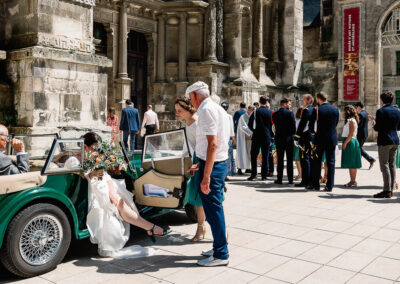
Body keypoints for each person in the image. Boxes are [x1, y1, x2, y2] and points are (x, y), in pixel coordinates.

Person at [70, 132, 168, 258]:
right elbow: (86, 177)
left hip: (104, 185)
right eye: (94, 147)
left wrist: (111, 191)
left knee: (119, 199)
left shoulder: (96, 157)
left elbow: (105, 176)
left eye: (98, 147)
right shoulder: (75, 160)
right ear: (85, 147)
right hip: (92, 189)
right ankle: (150, 227)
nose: (96, 150)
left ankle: (150, 227)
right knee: (118, 202)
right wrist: (95, 171)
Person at [186, 81, 230, 267]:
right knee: (213, 210)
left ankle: (221, 254)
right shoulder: (215, 107)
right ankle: (218, 246)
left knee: (213, 211)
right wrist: (201, 163)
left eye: (190, 99)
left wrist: (206, 176)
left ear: (195, 95)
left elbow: (213, 144)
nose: (191, 102)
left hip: (213, 166)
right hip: (213, 162)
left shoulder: (205, 110)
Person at [174, 98, 206, 242]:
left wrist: (198, 164)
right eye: (176, 110)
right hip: (195, 159)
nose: (177, 113)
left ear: (189, 109)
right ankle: (201, 228)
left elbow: (205, 146)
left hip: (203, 160)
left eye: (179, 110)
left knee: (211, 198)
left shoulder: (198, 122)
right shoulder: (189, 122)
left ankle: (222, 229)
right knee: (197, 198)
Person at [309, 92, 339, 191]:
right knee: (331, 162)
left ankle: (316, 184)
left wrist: (313, 133)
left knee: (317, 162)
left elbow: (311, 126)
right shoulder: (335, 109)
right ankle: (330, 185)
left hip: (319, 139)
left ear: (318, 99)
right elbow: (336, 123)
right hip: (331, 138)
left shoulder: (316, 110)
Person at [372, 91, 400, 198]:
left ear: (382, 100)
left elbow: (377, 128)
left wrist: (374, 124)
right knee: (392, 165)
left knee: (384, 165)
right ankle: (391, 189)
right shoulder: (397, 111)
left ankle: (386, 190)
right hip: (395, 140)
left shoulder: (381, 111)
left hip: (384, 140)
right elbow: (398, 127)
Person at [248, 96, 273, 181]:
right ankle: (264, 175)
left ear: (259, 102)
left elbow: (250, 124)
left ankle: (254, 173)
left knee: (253, 155)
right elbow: (272, 126)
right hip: (266, 136)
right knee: (265, 156)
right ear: (266, 102)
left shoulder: (255, 111)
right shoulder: (270, 112)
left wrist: (254, 130)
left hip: (256, 136)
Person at [272, 98, 296, 184]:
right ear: (285, 104)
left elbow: (275, 125)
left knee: (280, 160)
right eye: (289, 104)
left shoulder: (275, 114)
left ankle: (279, 179)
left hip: (279, 139)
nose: (290, 106)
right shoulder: (290, 113)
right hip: (289, 139)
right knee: (289, 160)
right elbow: (293, 127)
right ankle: (290, 179)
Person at [294, 94, 314, 188]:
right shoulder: (313, 109)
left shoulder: (306, 110)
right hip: (311, 136)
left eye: (303, 99)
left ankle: (305, 181)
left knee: (304, 159)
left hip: (305, 136)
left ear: (309, 100)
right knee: (308, 158)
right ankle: (309, 180)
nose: (302, 101)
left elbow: (303, 124)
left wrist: (297, 136)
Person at [340, 105, 362, 188]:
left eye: (345, 111)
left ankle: (353, 180)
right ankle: (352, 180)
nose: (344, 113)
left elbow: (351, 133)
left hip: (350, 141)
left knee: (352, 163)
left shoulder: (351, 120)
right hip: (350, 141)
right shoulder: (351, 120)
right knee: (350, 163)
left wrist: (345, 143)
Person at [355, 102, 376, 169]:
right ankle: (358, 163)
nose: (356, 109)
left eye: (356, 107)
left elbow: (359, 125)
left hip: (360, 134)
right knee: (359, 148)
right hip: (365, 133)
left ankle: (370, 159)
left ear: (358, 107)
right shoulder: (366, 113)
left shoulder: (360, 114)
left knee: (358, 148)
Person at [236, 106, 254, 175]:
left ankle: (248, 168)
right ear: (248, 110)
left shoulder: (252, 117)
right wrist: (251, 132)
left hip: (249, 138)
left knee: (249, 153)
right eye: (252, 110)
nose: (252, 112)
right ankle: (239, 169)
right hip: (243, 138)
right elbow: (243, 127)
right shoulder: (243, 117)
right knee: (241, 152)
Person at [221, 102, 236, 178]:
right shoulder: (229, 116)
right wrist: (233, 139)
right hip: (228, 139)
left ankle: (222, 174)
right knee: (228, 157)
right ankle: (226, 174)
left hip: (220, 139)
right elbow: (231, 128)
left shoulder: (218, 116)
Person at [293, 108, 302, 181]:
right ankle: (300, 173)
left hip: (303, 139)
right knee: (297, 158)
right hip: (297, 139)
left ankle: (301, 174)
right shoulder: (296, 120)